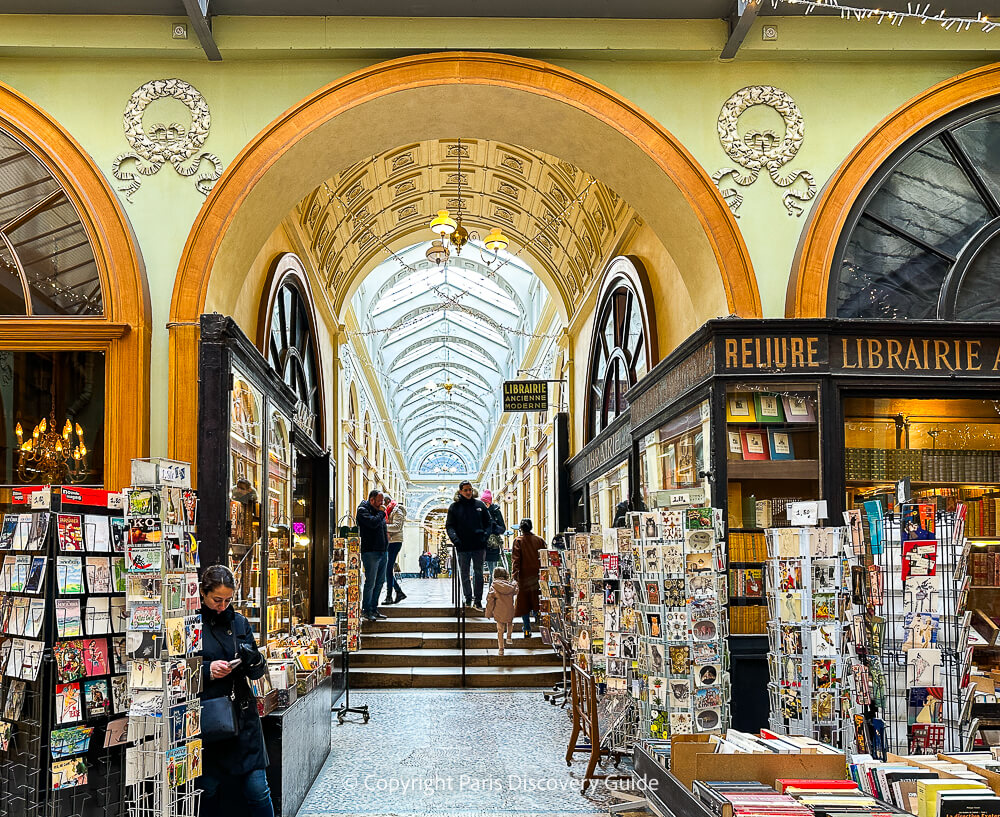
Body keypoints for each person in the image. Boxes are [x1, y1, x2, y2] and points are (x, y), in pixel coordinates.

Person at [199, 564, 274, 817]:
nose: (222, 606)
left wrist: (253, 659)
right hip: (210, 717)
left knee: (258, 788)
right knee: (206, 788)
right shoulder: (192, 625)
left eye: (228, 600)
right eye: (217, 600)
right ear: (202, 593)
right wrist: (208, 669)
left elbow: (257, 672)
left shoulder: (240, 622)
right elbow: (177, 670)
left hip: (242, 717)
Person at [445, 480, 492, 611]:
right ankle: (467, 597)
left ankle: (478, 600)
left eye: (470, 489)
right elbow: (449, 526)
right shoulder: (454, 507)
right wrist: (456, 540)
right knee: (464, 574)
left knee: (478, 573)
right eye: (465, 490)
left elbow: (489, 523)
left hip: (478, 545)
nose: (468, 492)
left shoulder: (480, 505)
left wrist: (485, 537)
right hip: (463, 547)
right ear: (460, 491)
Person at [356, 489, 389, 621]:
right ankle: (366, 609)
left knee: (380, 581)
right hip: (370, 552)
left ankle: (374, 609)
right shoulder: (363, 510)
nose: (382, 503)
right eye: (380, 500)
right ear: (372, 500)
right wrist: (381, 513)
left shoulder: (378, 512)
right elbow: (373, 523)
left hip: (382, 551)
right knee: (371, 582)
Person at [512, 518, 546, 637]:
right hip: (538, 576)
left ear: (521, 529)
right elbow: (544, 557)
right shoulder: (540, 540)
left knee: (524, 603)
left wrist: (515, 575)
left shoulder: (518, 541)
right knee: (537, 600)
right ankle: (539, 623)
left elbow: (516, 560)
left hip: (524, 577)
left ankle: (527, 629)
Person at [484, 566, 518, 655]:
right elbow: (516, 591)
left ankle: (501, 649)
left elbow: (490, 601)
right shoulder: (510, 586)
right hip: (510, 609)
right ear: (506, 575)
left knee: (500, 630)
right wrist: (515, 583)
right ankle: (509, 637)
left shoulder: (493, 587)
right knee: (510, 622)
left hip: (498, 611)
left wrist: (488, 613)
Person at [383, 494, 407, 604]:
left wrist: (382, 526)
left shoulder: (397, 510)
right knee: (387, 569)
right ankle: (398, 592)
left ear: (387, 501)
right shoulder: (388, 511)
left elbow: (397, 526)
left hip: (395, 542)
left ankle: (390, 596)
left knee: (388, 569)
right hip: (389, 542)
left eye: (382, 502)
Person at [480, 489, 506, 587]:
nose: (484, 504)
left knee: (493, 572)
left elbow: (503, 529)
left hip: (492, 546)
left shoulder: (496, 512)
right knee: (477, 572)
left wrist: (494, 526)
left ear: (490, 502)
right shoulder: (479, 511)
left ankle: (492, 592)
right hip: (481, 545)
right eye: (483, 502)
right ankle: (477, 594)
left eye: (486, 502)